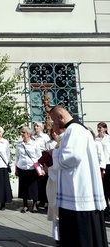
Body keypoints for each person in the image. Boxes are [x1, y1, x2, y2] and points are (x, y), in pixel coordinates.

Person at [49, 105, 107, 247]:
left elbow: (73, 156)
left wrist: (54, 154)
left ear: (61, 117)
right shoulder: (77, 129)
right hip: (77, 188)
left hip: (78, 192)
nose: (54, 125)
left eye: (55, 121)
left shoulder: (74, 130)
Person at [43, 122, 65, 245]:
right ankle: (57, 236)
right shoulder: (56, 145)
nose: (55, 134)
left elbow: (61, 166)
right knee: (54, 208)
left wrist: (48, 169)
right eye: (53, 132)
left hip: (60, 182)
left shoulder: (63, 145)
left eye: (57, 131)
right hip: (53, 181)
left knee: (59, 210)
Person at [15, 126, 41, 213]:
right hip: (22, 167)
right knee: (23, 187)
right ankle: (25, 205)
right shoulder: (19, 144)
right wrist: (16, 169)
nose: (22, 134)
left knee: (34, 187)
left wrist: (39, 167)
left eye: (24, 133)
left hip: (32, 168)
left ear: (29, 134)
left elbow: (39, 156)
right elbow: (17, 157)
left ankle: (34, 205)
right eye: (22, 132)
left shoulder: (35, 144)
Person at [32, 122, 48, 209]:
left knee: (43, 179)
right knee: (36, 180)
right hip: (34, 158)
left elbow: (47, 147)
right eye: (34, 126)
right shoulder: (32, 137)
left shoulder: (45, 137)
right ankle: (38, 199)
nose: (35, 127)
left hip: (42, 157)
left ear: (41, 128)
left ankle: (44, 200)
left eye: (37, 126)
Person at [96, 121, 110, 217]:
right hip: (99, 165)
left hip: (108, 164)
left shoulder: (108, 139)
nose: (99, 129)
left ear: (105, 128)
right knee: (102, 188)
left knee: (108, 187)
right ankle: (105, 208)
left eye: (100, 127)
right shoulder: (96, 139)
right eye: (98, 127)